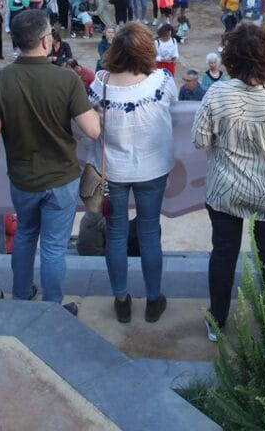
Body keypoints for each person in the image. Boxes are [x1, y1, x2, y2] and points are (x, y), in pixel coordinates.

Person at [192, 23, 265, 341]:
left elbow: (200, 141)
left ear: (231, 58)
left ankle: (217, 321)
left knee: (224, 252)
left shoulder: (216, 93)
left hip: (225, 190)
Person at [0, 10, 101, 313]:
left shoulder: (1, 80)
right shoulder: (66, 79)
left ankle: (21, 297)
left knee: (24, 237)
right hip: (61, 177)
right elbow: (92, 130)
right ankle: (52, 306)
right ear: (47, 40)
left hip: (22, 177)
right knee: (53, 247)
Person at [90, 23, 175, 324]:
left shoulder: (99, 85)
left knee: (115, 233)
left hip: (113, 170)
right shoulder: (162, 82)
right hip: (153, 169)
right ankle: (153, 299)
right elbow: (174, 107)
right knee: (150, 231)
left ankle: (121, 299)